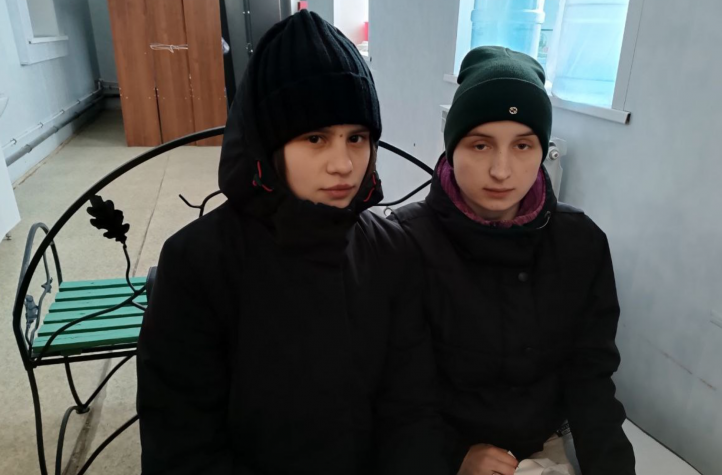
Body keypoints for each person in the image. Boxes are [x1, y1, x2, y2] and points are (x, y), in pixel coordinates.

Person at [136, 11, 446, 475]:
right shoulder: (198, 263)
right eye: (315, 138)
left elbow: (412, 410)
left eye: (357, 138)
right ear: (268, 147)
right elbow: (181, 445)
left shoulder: (391, 252)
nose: (343, 163)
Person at [391, 46, 636, 475]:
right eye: (480, 144)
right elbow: (396, 387)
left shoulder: (580, 243)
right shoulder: (406, 244)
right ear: (451, 147)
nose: (501, 171)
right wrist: (454, 455)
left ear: (543, 150)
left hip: (543, 440)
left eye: (523, 145)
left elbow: (590, 375)